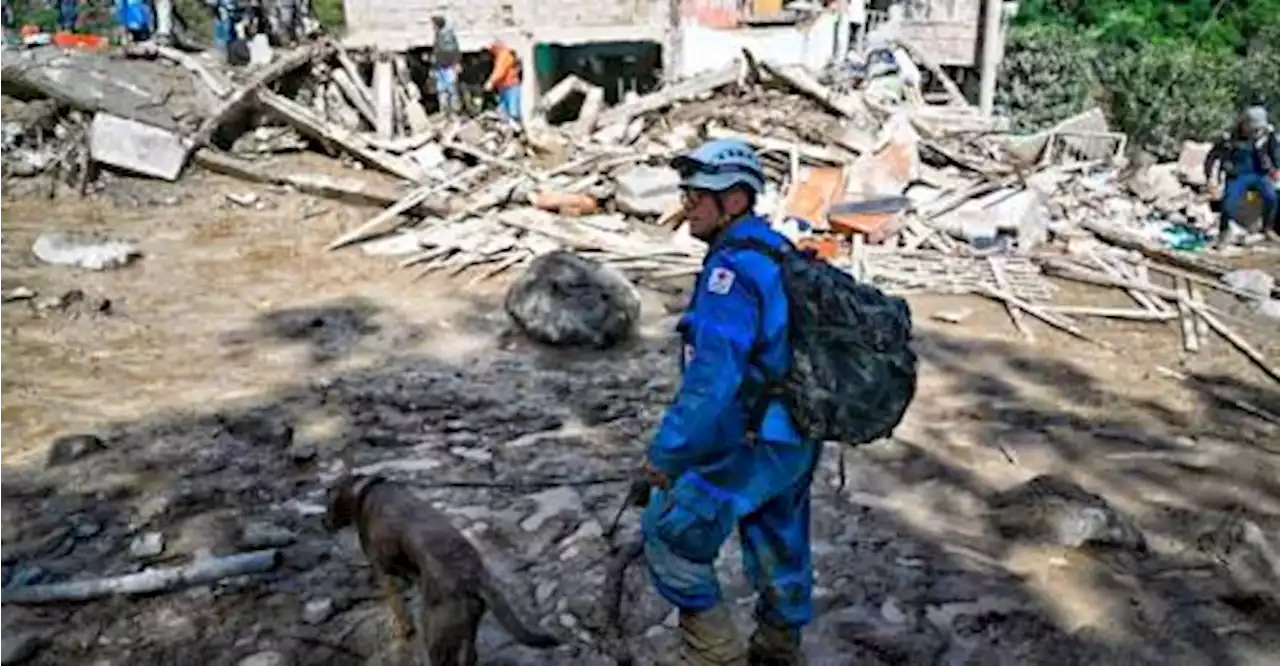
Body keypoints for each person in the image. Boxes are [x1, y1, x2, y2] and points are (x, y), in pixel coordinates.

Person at [639, 138, 818, 666]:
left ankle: (717, 657)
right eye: (686, 191)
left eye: (699, 194)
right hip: (796, 435)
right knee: (778, 541)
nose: (687, 203)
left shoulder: (730, 273)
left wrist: (665, 456)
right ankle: (779, 650)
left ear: (736, 201)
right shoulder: (776, 250)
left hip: (750, 441)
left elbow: (712, 381)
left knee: (672, 537)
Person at [1207, 105, 1280, 245]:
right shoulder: (1230, 137)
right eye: (1253, 128)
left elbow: (1275, 153)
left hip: (1259, 173)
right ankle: (1224, 233)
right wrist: (1210, 176)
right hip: (1238, 174)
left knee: (1271, 197)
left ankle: (1267, 229)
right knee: (1228, 203)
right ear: (1244, 124)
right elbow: (1212, 156)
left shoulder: (1267, 135)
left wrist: (1276, 168)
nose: (1255, 131)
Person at [485, 40, 522, 124]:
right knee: (503, 108)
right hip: (504, 85)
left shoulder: (504, 56)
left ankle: (515, 127)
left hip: (510, 85)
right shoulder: (500, 55)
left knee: (512, 110)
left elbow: (500, 70)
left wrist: (490, 82)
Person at [432, 15, 461, 114]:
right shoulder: (438, 35)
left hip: (448, 66)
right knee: (442, 90)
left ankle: (453, 112)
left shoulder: (446, 35)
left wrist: (455, 63)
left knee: (450, 90)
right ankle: (445, 112)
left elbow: (450, 50)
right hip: (441, 67)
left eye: (433, 24)